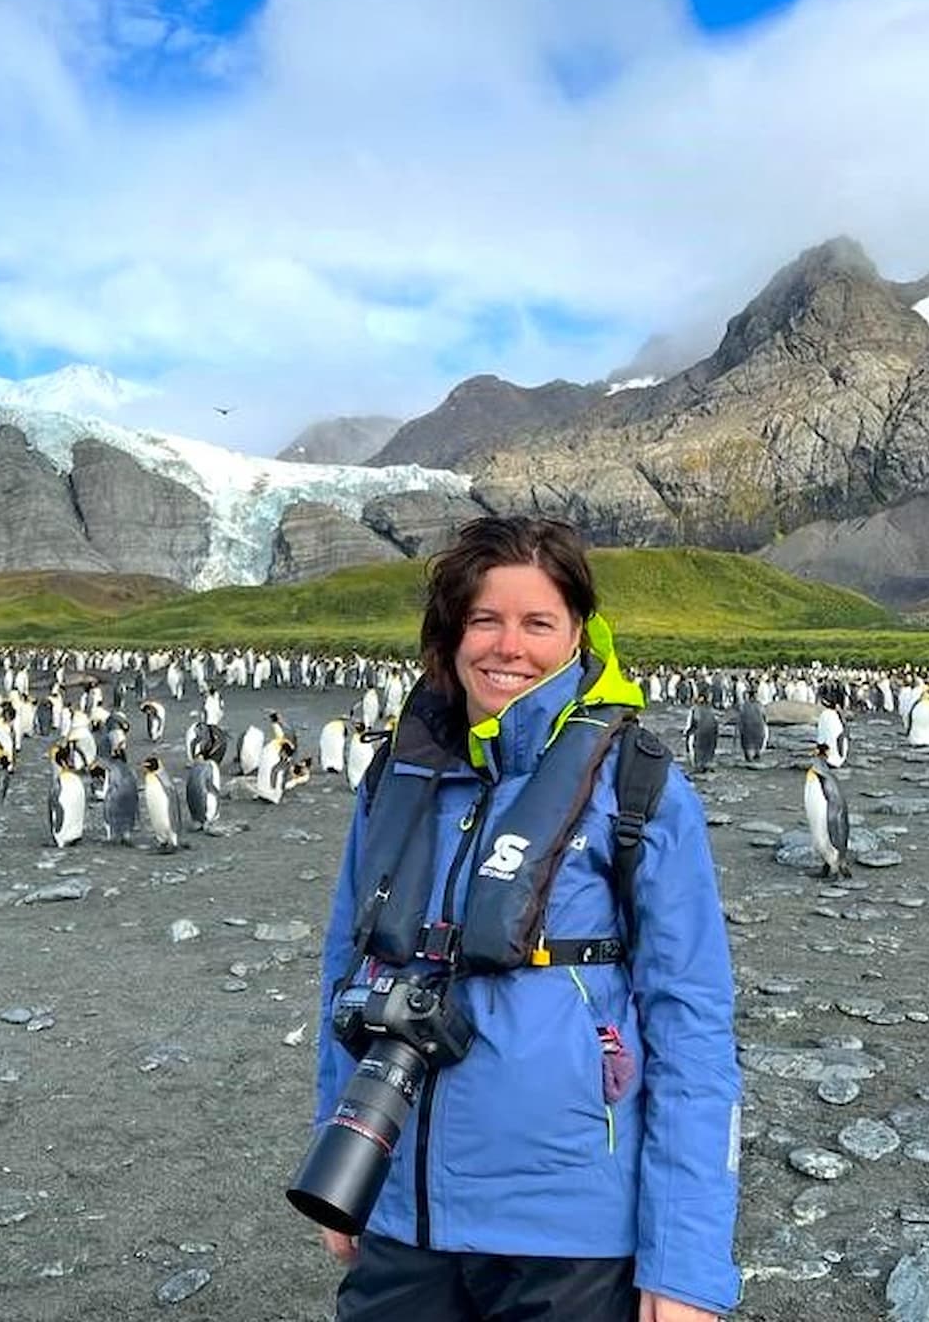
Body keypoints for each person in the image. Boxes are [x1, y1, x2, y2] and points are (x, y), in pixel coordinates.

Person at [309, 516, 740, 1322]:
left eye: (537, 622)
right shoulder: (400, 776)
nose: (509, 646)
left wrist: (685, 1259)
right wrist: (343, 1166)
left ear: (578, 633)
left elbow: (693, 1022)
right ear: (452, 632)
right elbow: (347, 973)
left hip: (570, 1235)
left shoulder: (634, 786)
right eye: (485, 619)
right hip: (406, 1212)